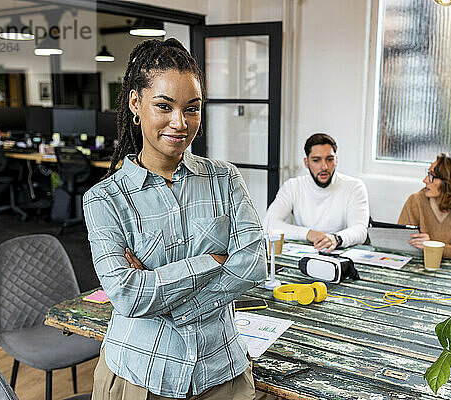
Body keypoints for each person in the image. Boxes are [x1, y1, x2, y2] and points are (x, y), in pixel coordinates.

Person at [83, 38, 266, 400]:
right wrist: (211, 262)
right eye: (164, 106)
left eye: (192, 108)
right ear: (136, 103)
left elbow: (254, 265)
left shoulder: (225, 179)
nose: (180, 123)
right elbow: (127, 297)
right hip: (141, 375)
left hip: (222, 372)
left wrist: (162, 292)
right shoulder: (104, 200)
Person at [263, 133, 369, 252]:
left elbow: (360, 230)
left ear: (336, 160)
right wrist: (309, 234)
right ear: (306, 163)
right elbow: (269, 224)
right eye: (316, 160)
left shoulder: (354, 186)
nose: (324, 167)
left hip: (342, 255)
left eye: (329, 159)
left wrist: (336, 239)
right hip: (308, 253)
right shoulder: (293, 186)